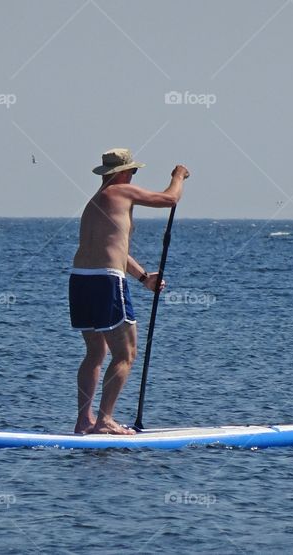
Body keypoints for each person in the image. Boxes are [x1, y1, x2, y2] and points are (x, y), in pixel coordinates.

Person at [69, 148, 189, 434]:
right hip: (105, 281)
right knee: (126, 354)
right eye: (133, 171)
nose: (133, 176)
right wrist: (178, 176)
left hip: (80, 279)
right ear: (123, 173)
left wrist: (144, 277)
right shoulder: (121, 191)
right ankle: (104, 420)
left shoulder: (95, 202)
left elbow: (113, 249)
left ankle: (84, 420)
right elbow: (170, 199)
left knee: (95, 352)